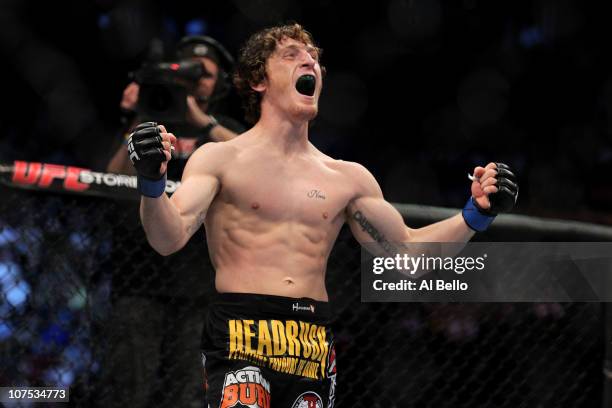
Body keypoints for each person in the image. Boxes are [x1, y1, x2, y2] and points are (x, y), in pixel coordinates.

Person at [125, 23, 518, 407]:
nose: (309, 63)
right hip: (240, 330)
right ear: (259, 80)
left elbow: (408, 258)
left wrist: (475, 215)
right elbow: (168, 238)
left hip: (311, 339)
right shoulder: (220, 159)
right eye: (292, 55)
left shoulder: (348, 178)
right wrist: (152, 183)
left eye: (314, 59)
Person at [100, 35, 244, 408]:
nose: (198, 81)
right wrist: (136, 117)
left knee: (190, 393)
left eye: (206, 74)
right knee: (128, 388)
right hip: (139, 278)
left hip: (200, 285)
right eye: (189, 72)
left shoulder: (225, 131)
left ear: (221, 83)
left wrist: (204, 123)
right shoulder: (152, 121)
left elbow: (254, 168)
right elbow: (112, 182)